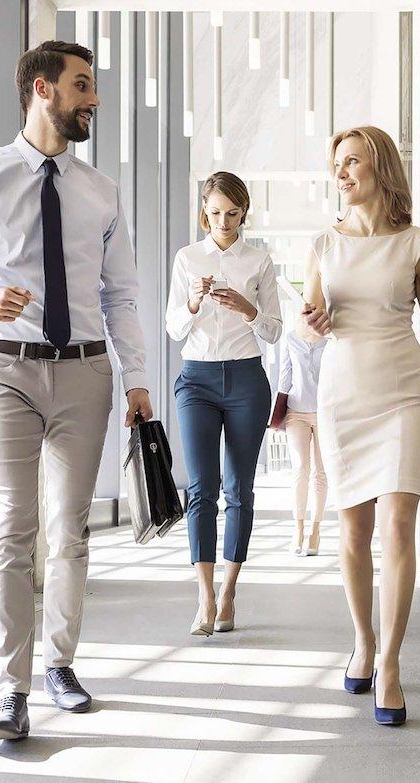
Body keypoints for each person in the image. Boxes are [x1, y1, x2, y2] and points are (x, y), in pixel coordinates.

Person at [0, 40, 152, 741]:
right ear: (42, 89)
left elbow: (122, 295)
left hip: (86, 374)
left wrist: (138, 378)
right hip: (6, 370)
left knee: (69, 529)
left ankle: (61, 664)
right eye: (83, 86)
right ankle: (9, 688)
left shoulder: (101, 192)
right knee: (12, 527)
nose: (94, 100)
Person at [302, 125, 420, 727]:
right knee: (353, 533)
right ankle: (363, 640)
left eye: (352, 162)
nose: (342, 173)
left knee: (398, 526)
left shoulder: (419, 245)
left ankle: (392, 664)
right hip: (343, 396)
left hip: (404, 394)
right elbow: (308, 324)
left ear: (381, 168)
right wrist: (314, 322)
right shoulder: (325, 243)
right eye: (336, 164)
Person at [166, 172, 282, 638]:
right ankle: (205, 596)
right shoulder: (187, 258)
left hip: (247, 380)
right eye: (216, 213)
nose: (224, 222)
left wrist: (246, 308)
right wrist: (193, 303)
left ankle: (230, 591)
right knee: (201, 489)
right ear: (204, 212)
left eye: (233, 213)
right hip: (197, 379)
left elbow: (274, 330)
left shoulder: (259, 261)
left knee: (240, 489)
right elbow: (174, 329)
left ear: (244, 212)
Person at [275, 324, 329, 555]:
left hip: (325, 412)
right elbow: (285, 376)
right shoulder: (291, 338)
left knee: (321, 472)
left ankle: (315, 530)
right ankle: (298, 528)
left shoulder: (332, 339)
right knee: (300, 469)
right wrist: (277, 413)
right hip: (296, 411)